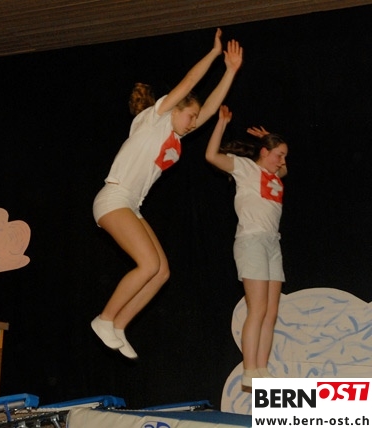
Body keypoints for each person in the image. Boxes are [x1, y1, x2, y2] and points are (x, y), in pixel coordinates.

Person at [91, 28, 243, 359]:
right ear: (174, 108)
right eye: (189, 116)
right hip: (114, 198)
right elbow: (189, 83)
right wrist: (213, 55)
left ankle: (119, 325)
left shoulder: (174, 135)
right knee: (147, 264)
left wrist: (230, 71)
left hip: (131, 205)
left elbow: (207, 110)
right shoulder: (154, 119)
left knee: (161, 272)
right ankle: (104, 318)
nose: (192, 122)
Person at [205, 105, 288, 388]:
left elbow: (283, 168)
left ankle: (261, 369)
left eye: (284, 156)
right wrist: (221, 123)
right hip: (251, 241)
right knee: (258, 308)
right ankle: (249, 369)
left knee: (271, 312)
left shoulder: (275, 175)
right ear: (264, 153)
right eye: (278, 155)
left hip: (272, 243)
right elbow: (211, 155)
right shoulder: (246, 168)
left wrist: (269, 138)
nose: (282, 161)